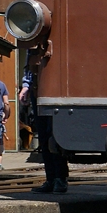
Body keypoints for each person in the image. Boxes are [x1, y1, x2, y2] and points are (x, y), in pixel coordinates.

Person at [23, 59, 68, 194]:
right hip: (37, 89)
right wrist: (26, 85)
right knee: (44, 137)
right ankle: (52, 179)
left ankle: (59, 178)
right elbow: (29, 62)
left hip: (55, 88)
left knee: (53, 137)